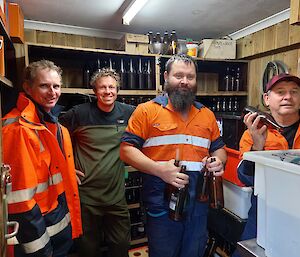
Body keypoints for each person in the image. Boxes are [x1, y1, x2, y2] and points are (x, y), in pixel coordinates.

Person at [120, 54, 227, 257]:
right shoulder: (146, 111)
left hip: (199, 202)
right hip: (161, 199)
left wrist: (218, 161)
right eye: (179, 76)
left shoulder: (207, 115)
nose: (184, 81)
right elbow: (126, 150)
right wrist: (160, 170)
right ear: (166, 77)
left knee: (194, 252)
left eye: (190, 77)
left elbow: (219, 149)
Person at [3, 60, 82, 257]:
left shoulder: (54, 126)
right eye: (44, 85)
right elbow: (20, 200)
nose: (52, 92)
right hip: (38, 237)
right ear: (28, 88)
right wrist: (40, 251)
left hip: (56, 227)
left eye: (56, 86)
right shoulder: (19, 130)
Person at [59, 68, 135, 257]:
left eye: (112, 87)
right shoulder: (78, 113)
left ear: (117, 90)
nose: (108, 91)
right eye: (102, 87)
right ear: (94, 91)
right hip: (86, 198)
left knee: (121, 246)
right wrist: (66, 169)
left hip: (116, 196)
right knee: (88, 249)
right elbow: (52, 136)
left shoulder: (129, 112)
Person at [233, 73, 300, 257]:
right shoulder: (253, 132)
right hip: (264, 210)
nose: (288, 96)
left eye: (294, 91)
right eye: (280, 92)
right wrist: (257, 146)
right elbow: (244, 177)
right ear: (267, 99)